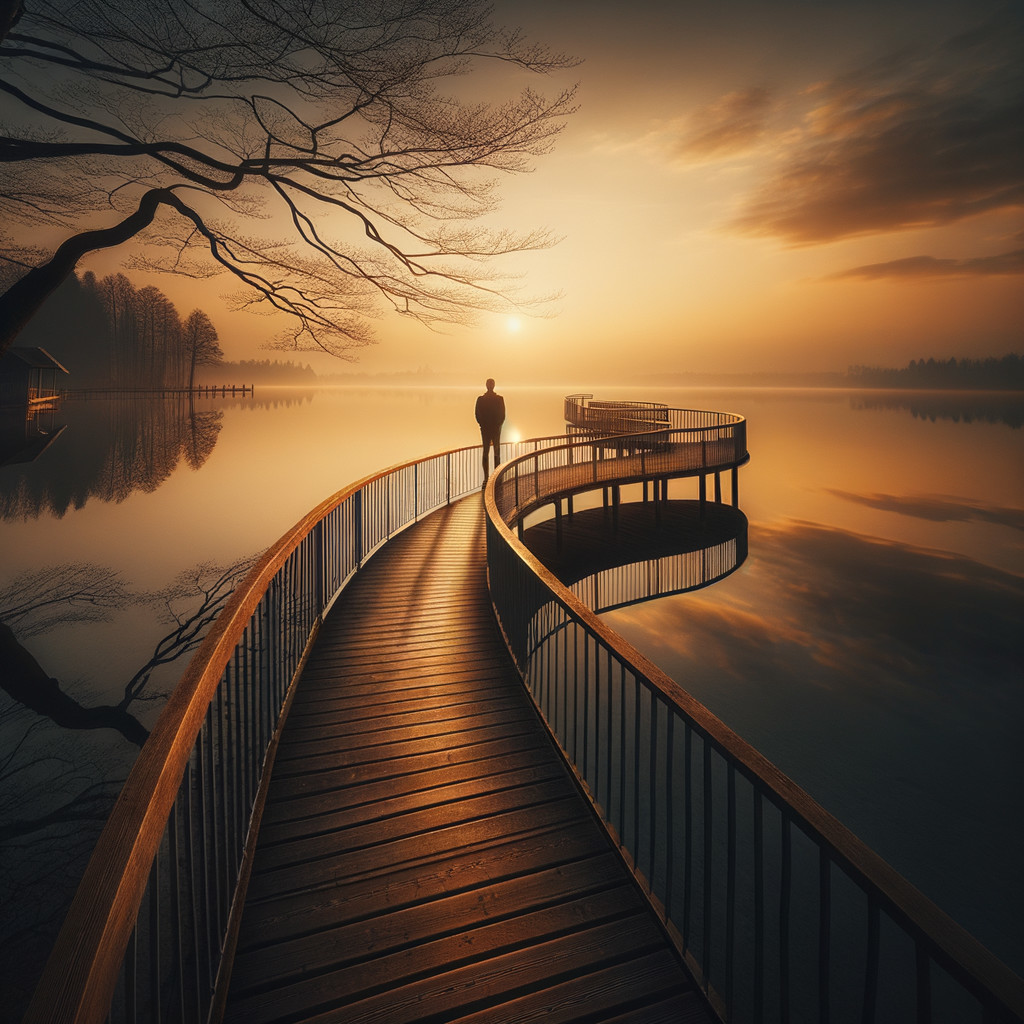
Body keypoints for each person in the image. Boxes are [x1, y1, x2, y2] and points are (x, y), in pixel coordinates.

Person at [475, 377, 505, 481]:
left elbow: (502, 416)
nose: (490, 386)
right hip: (491, 429)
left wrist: (483, 425)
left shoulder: (484, 399)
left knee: (489, 453)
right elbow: (502, 415)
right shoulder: (486, 399)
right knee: (492, 453)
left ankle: (490, 478)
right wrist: (496, 425)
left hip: (488, 429)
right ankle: (491, 478)